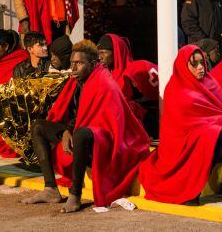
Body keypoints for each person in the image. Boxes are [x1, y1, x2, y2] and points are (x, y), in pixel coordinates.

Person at [21, 40, 150, 212]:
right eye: (73, 63)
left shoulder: (104, 83)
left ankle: (75, 195)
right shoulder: (77, 82)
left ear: (93, 64)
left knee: (81, 133)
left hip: (107, 144)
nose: (74, 69)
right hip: (83, 133)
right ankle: (50, 189)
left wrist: (73, 132)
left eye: (80, 64)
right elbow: (77, 114)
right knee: (38, 126)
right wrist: (66, 131)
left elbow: (108, 124)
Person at [139, 45, 222, 205]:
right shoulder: (175, 88)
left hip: (204, 136)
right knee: (213, 136)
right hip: (181, 144)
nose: (200, 68)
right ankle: (192, 191)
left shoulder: (210, 83)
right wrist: (215, 126)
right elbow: (181, 125)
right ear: (184, 65)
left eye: (202, 63)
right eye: (194, 64)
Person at [97, 34, 159, 137]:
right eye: (98, 53)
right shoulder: (104, 76)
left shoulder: (134, 71)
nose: (99, 57)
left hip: (144, 127)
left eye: (103, 52)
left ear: (116, 52)